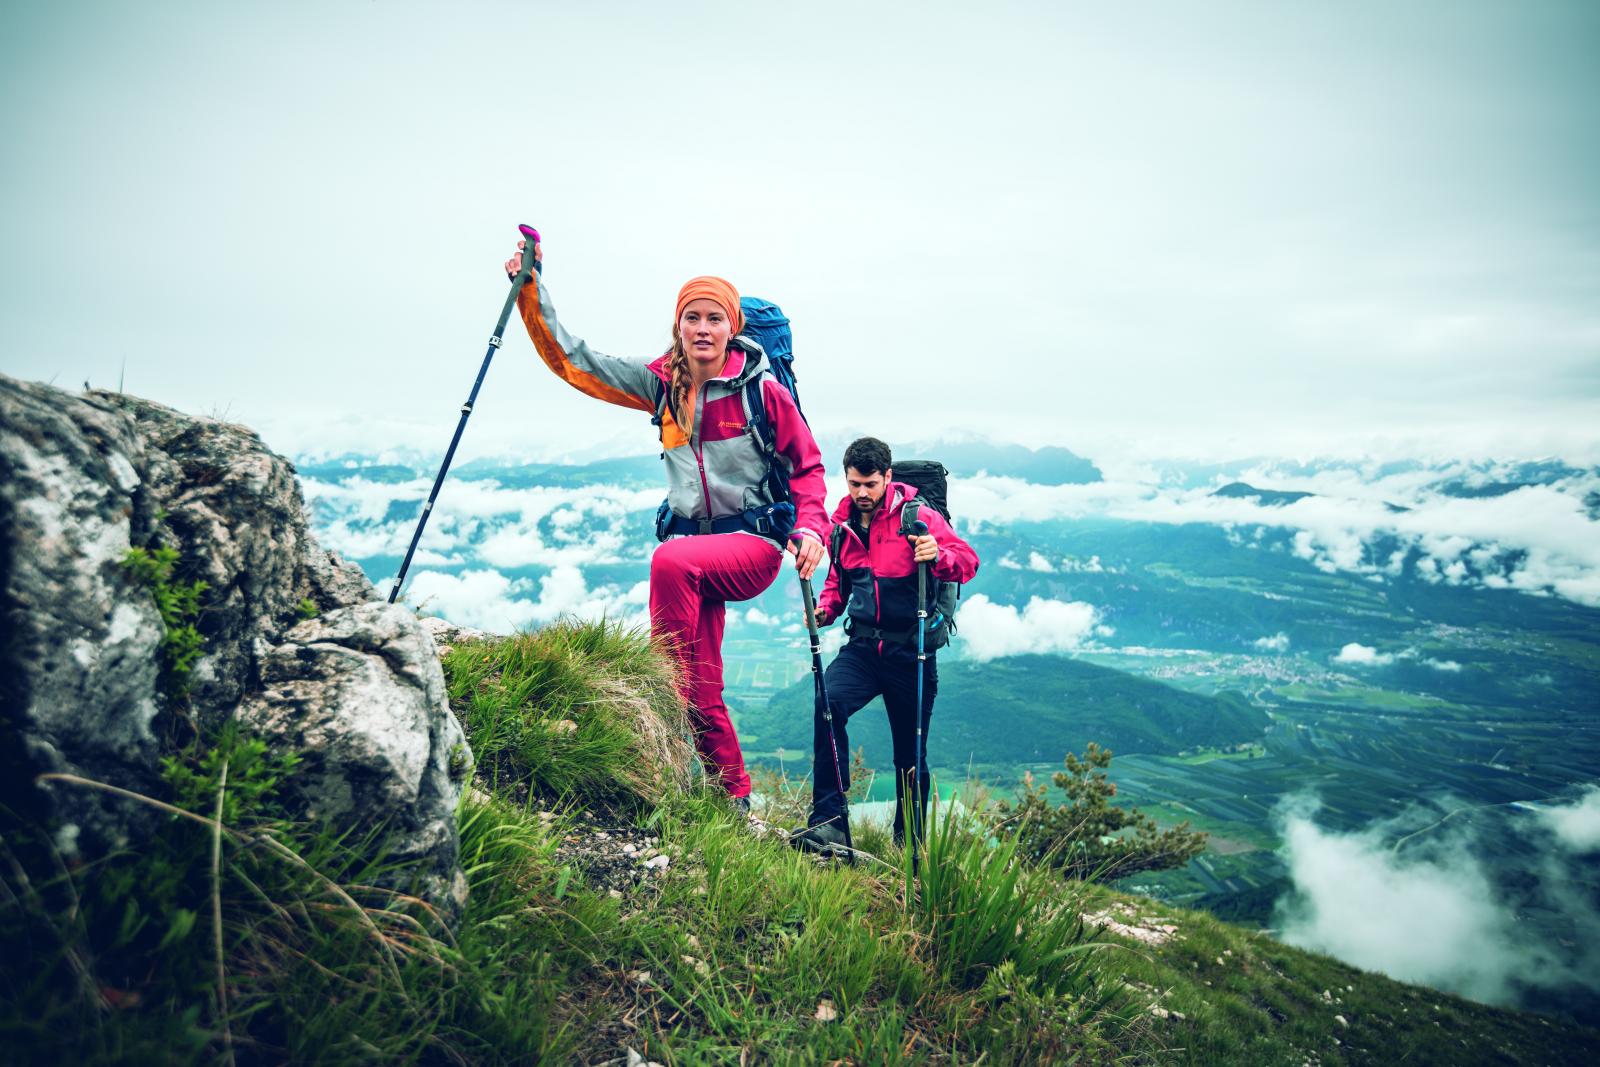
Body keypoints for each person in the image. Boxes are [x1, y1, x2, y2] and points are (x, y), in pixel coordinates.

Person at [503, 237, 828, 809]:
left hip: (750, 547)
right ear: (677, 325)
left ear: (733, 327)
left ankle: (653, 693)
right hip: (690, 554)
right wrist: (531, 290)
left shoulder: (762, 392)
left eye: (714, 318)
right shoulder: (661, 384)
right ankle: (735, 800)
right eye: (691, 317)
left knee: (668, 562)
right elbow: (575, 362)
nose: (702, 328)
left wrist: (811, 529)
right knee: (702, 688)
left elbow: (808, 466)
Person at [791, 436, 979, 852]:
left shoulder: (918, 517)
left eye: (870, 484)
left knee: (910, 755)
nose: (861, 493)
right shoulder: (841, 526)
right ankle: (829, 822)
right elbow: (840, 582)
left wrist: (937, 554)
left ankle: (909, 847)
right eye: (855, 483)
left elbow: (968, 561)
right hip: (862, 648)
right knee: (828, 705)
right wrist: (825, 611)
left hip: (910, 652)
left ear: (887, 478)